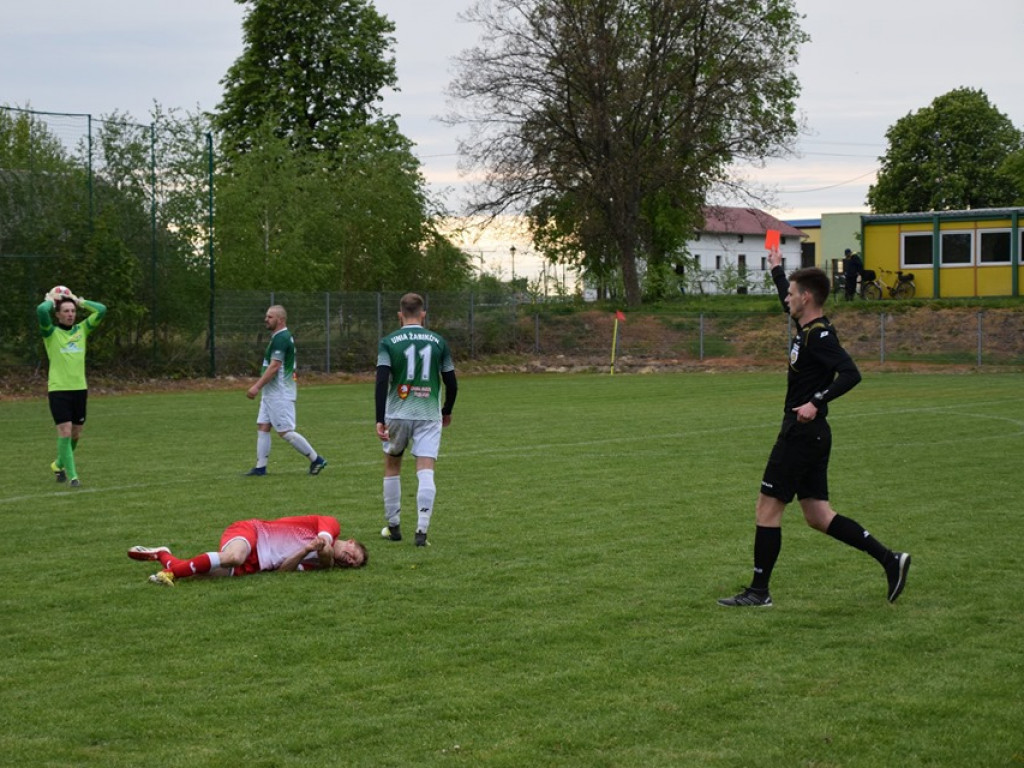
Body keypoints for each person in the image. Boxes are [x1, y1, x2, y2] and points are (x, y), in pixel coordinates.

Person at [718, 248, 910, 608]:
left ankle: (759, 592)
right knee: (819, 516)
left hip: (802, 433)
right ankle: (890, 560)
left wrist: (817, 400)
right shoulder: (806, 328)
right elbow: (785, 298)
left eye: (791, 294)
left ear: (806, 298)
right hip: (812, 436)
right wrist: (777, 270)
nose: (786, 299)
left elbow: (851, 373)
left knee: (767, 508)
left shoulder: (819, 336)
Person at [375, 293, 458, 547]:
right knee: (425, 470)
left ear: (400, 315)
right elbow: (451, 382)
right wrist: (446, 410)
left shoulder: (389, 341)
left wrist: (380, 418)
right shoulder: (438, 341)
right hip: (427, 413)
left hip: (398, 412)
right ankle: (422, 532)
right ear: (423, 314)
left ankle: (394, 527)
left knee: (392, 466)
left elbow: (381, 382)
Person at [127, 515, 368, 586]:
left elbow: (283, 571)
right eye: (352, 554)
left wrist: (305, 550)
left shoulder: (316, 564)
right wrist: (319, 550)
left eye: (353, 564)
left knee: (200, 575)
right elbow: (325, 545)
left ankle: (163, 556)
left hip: (255, 565)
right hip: (252, 532)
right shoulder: (332, 526)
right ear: (350, 541)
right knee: (234, 557)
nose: (349, 560)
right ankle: (169, 575)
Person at [37, 288, 107, 488]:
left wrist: (79, 301)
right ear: (58, 314)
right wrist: (51, 300)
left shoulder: (82, 330)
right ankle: (73, 476)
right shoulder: (50, 333)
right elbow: (41, 311)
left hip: (79, 389)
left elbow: (101, 310)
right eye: (65, 311)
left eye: (72, 311)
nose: (70, 314)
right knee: (65, 432)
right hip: (58, 390)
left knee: (76, 433)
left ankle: (58, 464)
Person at [245, 305, 327, 476]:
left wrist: (256, 386)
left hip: (279, 393)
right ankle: (260, 467)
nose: (266, 319)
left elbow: (275, 367)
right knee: (263, 426)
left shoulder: (281, 338)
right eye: (266, 316)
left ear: (280, 320)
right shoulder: (277, 337)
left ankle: (316, 459)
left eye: (270, 317)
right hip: (271, 393)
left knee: (285, 432)